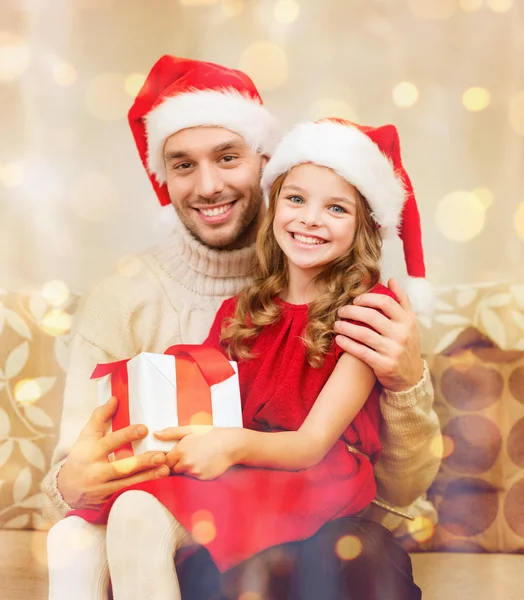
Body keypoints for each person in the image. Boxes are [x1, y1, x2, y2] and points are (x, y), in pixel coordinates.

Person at [42, 56, 439, 599]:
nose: (208, 185)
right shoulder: (232, 306)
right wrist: (82, 478)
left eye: (227, 157)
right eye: (183, 165)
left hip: (312, 498)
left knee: (354, 557)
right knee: (111, 521)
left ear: (263, 164)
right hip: (223, 481)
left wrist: (408, 381)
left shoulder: (366, 314)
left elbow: (388, 484)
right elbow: (191, 395)